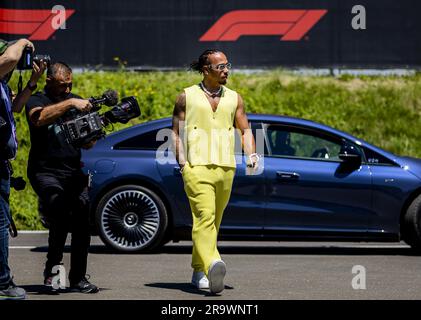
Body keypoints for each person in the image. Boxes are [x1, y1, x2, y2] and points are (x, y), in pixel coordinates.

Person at [172, 49, 259, 294]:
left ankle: (198, 270)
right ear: (206, 69)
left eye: (227, 65)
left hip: (226, 168)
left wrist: (251, 154)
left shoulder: (235, 98)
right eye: (220, 67)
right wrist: (183, 164)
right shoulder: (186, 96)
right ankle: (213, 265)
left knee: (212, 223)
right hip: (196, 168)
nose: (226, 70)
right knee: (205, 218)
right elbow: (176, 133)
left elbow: (244, 130)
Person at [25, 61, 99, 293]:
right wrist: (70, 104)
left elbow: (89, 143)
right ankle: (53, 273)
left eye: (70, 85)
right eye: (62, 85)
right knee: (58, 213)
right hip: (45, 170)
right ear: (49, 81)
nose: (67, 90)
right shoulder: (37, 99)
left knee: (81, 223)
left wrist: (92, 131)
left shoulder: (75, 100)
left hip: (72, 171)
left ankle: (78, 278)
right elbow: (38, 119)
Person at [0, 38, 46, 299]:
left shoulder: (2, 86)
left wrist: (31, 83)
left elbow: (16, 107)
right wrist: (20, 43)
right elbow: (6, 60)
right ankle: (2, 282)